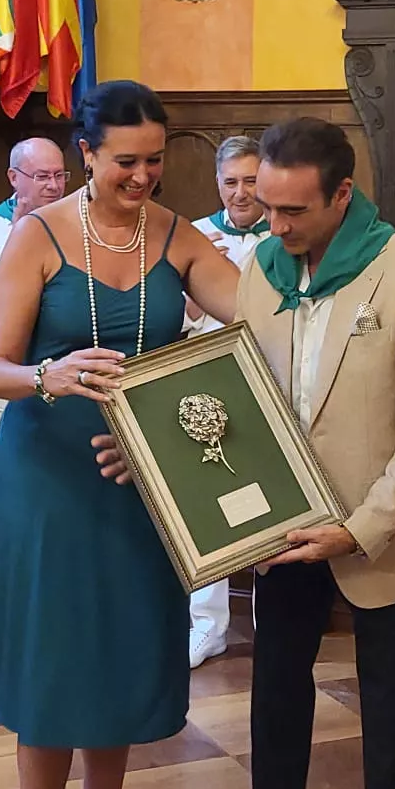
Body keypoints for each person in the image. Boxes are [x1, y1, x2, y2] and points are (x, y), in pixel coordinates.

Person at [0, 81, 238, 789]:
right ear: (86, 152)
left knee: (117, 648)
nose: (143, 176)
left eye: (154, 160)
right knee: (55, 654)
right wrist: (48, 374)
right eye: (126, 160)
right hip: (49, 476)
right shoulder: (38, 235)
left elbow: (260, 320)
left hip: (140, 471)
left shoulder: (178, 235)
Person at [228, 116, 395, 789]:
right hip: (284, 524)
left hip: (380, 532)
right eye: (266, 206)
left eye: (292, 210)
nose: (275, 225)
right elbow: (243, 400)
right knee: (274, 692)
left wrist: (359, 529)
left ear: (342, 196)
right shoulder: (261, 271)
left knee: (391, 705)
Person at [0, 136, 68, 660]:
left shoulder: (78, 225)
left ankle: (57, 613)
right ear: (14, 179)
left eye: (59, 176)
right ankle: (2, 612)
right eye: (41, 176)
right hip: (5, 387)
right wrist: (25, 246)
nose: (52, 186)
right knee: (3, 503)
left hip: (70, 389)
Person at [179, 134, 269, 669]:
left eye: (251, 182)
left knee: (265, 500)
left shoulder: (284, 237)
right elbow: (181, 322)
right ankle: (207, 625)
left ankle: (269, 622)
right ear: (217, 184)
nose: (241, 193)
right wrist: (193, 293)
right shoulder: (194, 237)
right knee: (204, 504)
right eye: (231, 182)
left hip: (264, 382)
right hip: (204, 381)